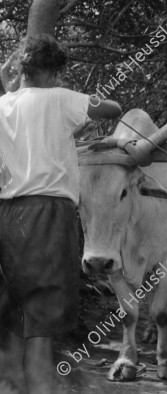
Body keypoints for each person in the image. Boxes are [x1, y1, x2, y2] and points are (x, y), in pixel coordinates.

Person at [0, 34, 122, 394]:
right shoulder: (60, 98)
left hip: (8, 214)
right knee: (44, 314)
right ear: (52, 71)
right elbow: (112, 108)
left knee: (15, 308)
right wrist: (75, 103)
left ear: (21, 69)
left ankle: (14, 384)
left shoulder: (3, 104)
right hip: (49, 214)